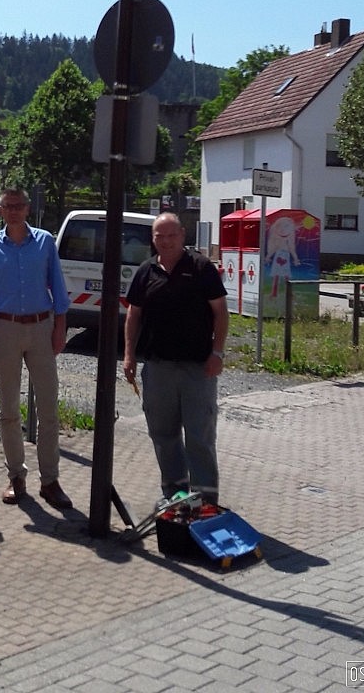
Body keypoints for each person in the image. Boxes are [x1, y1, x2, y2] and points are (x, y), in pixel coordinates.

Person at [0, 188, 72, 509]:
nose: (13, 211)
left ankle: (50, 480)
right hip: (5, 329)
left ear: (28, 209)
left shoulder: (44, 242)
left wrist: (60, 327)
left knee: (49, 409)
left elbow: (58, 286)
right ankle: (16, 476)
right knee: (9, 410)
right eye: (7, 206)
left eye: (19, 205)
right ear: (0, 210)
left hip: (42, 328)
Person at [123, 212, 228, 507]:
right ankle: (175, 493)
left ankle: (206, 499)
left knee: (199, 435)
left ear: (183, 235)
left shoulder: (201, 268)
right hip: (157, 368)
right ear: (153, 239)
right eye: (160, 236)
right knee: (163, 433)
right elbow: (133, 315)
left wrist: (217, 353)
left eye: (171, 235)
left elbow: (220, 312)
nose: (166, 242)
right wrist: (129, 355)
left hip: (198, 367)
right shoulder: (145, 271)